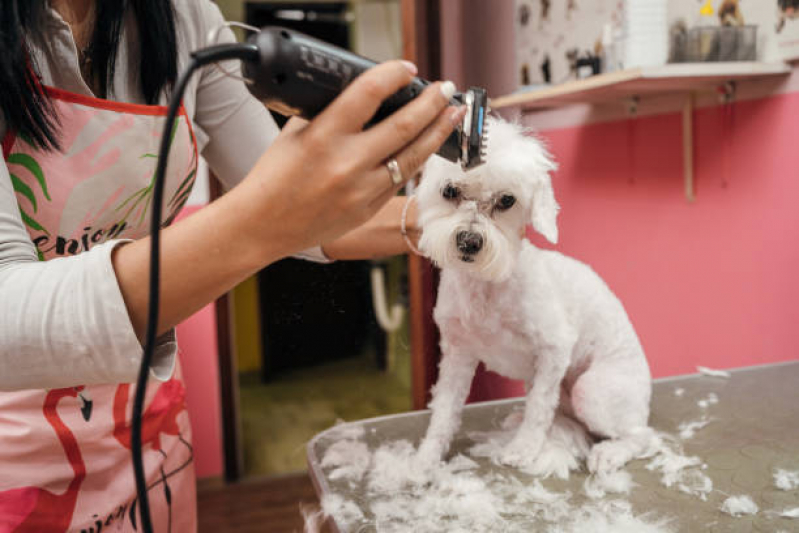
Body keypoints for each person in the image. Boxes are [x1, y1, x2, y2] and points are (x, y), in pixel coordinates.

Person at [0, 0, 464, 530]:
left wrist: (450, 226)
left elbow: (306, 214)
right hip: (16, 461)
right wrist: (263, 219)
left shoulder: (183, 19)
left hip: (149, 427)